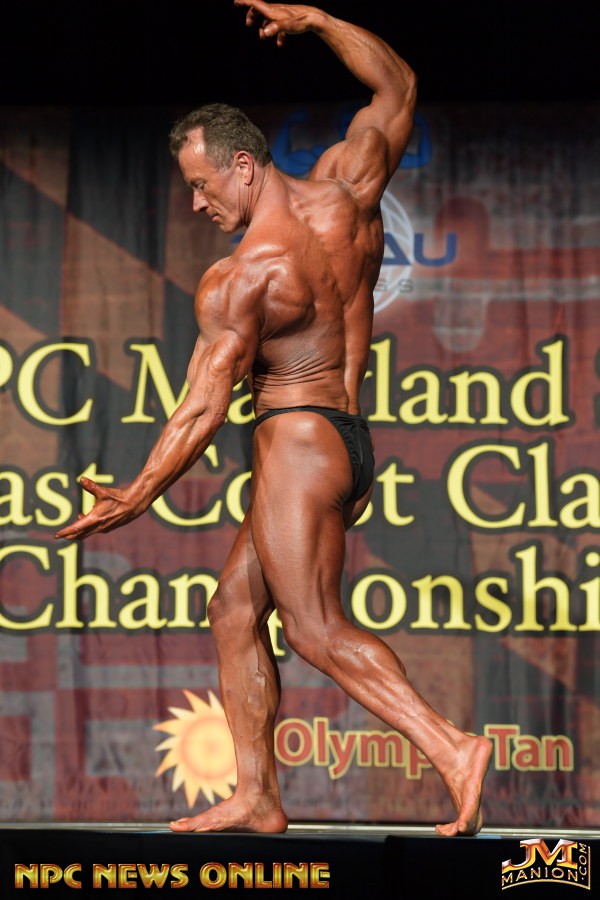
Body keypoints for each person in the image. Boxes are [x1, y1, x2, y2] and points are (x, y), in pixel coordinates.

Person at [56, 0, 492, 836]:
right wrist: (321, 22)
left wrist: (137, 493)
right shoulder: (349, 189)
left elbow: (203, 402)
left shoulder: (244, 276)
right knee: (233, 609)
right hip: (344, 443)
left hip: (298, 444)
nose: (196, 203)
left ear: (245, 166)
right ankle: (257, 793)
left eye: (202, 184)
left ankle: (452, 747)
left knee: (315, 629)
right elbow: (397, 85)